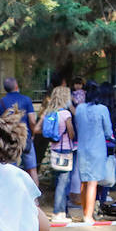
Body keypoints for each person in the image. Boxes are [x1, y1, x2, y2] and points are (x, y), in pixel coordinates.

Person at [74, 81, 114, 223]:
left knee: (84, 182)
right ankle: (88, 216)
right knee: (93, 183)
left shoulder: (79, 109)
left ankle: (85, 211)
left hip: (82, 148)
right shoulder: (102, 109)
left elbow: (78, 127)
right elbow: (108, 131)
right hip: (97, 149)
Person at [40, 85, 77, 220]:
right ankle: (58, 212)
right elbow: (71, 133)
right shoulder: (66, 114)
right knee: (63, 182)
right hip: (65, 149)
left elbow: (41, 130)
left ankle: (61, 211)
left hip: (54, 150)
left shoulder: (50, 113)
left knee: (58, 180)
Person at [0, 77, 39, 184]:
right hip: (25, 139)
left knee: (11, 171)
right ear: (16, 86)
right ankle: (35, 199)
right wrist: (32, 134)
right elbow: (32, 121)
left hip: (9, 143)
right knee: (32, 170)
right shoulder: (26, 100)